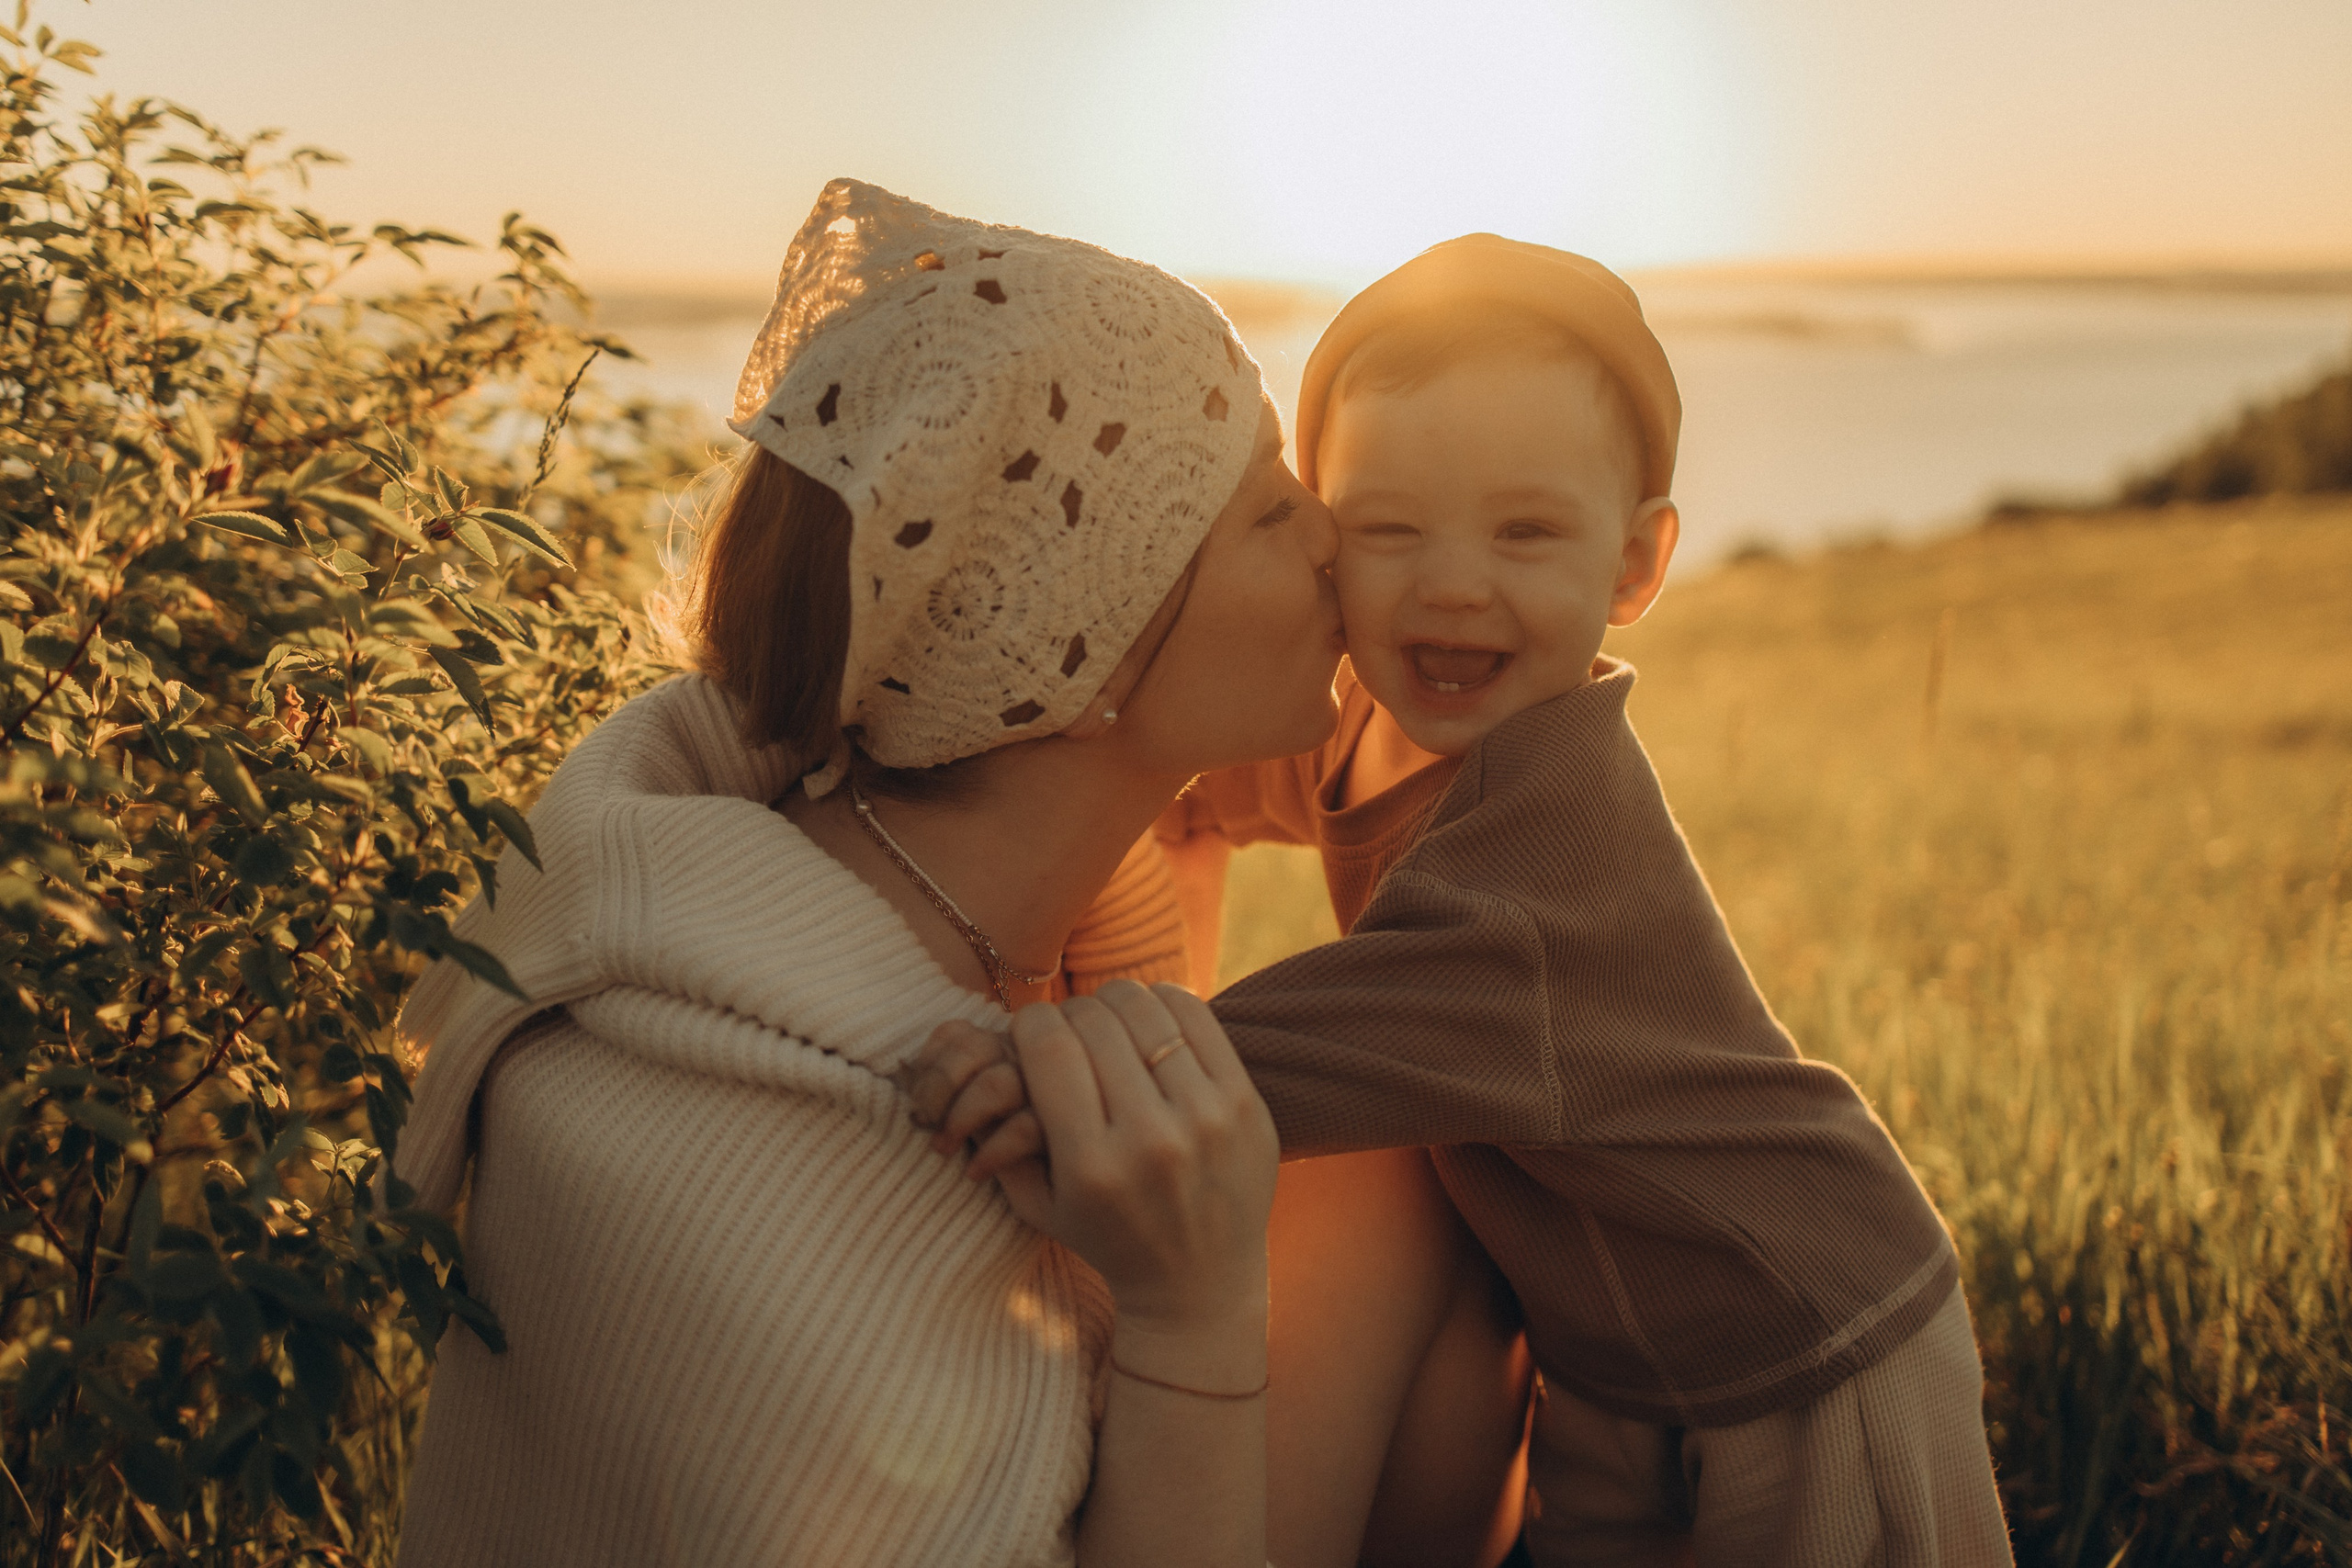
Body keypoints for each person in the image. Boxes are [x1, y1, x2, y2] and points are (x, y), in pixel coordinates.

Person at [910, 236, 2016, 1565]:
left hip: (1803, 1342)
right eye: (1389, 529)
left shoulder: (1536, 863)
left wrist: (1041, 1069)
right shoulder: (1374, 720)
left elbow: (1225, 1073)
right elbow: (1206, 794)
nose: (1451, 583)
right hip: (1608, 1354)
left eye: (1527, 531)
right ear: (1324, 537)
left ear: (1635, 568)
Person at [390, 177, 1387, 1568]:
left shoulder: (953, 907)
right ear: (1082, 646)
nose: (1333, 535)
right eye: (1269, 508)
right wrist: (1192, 1313)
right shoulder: (778, 1187)